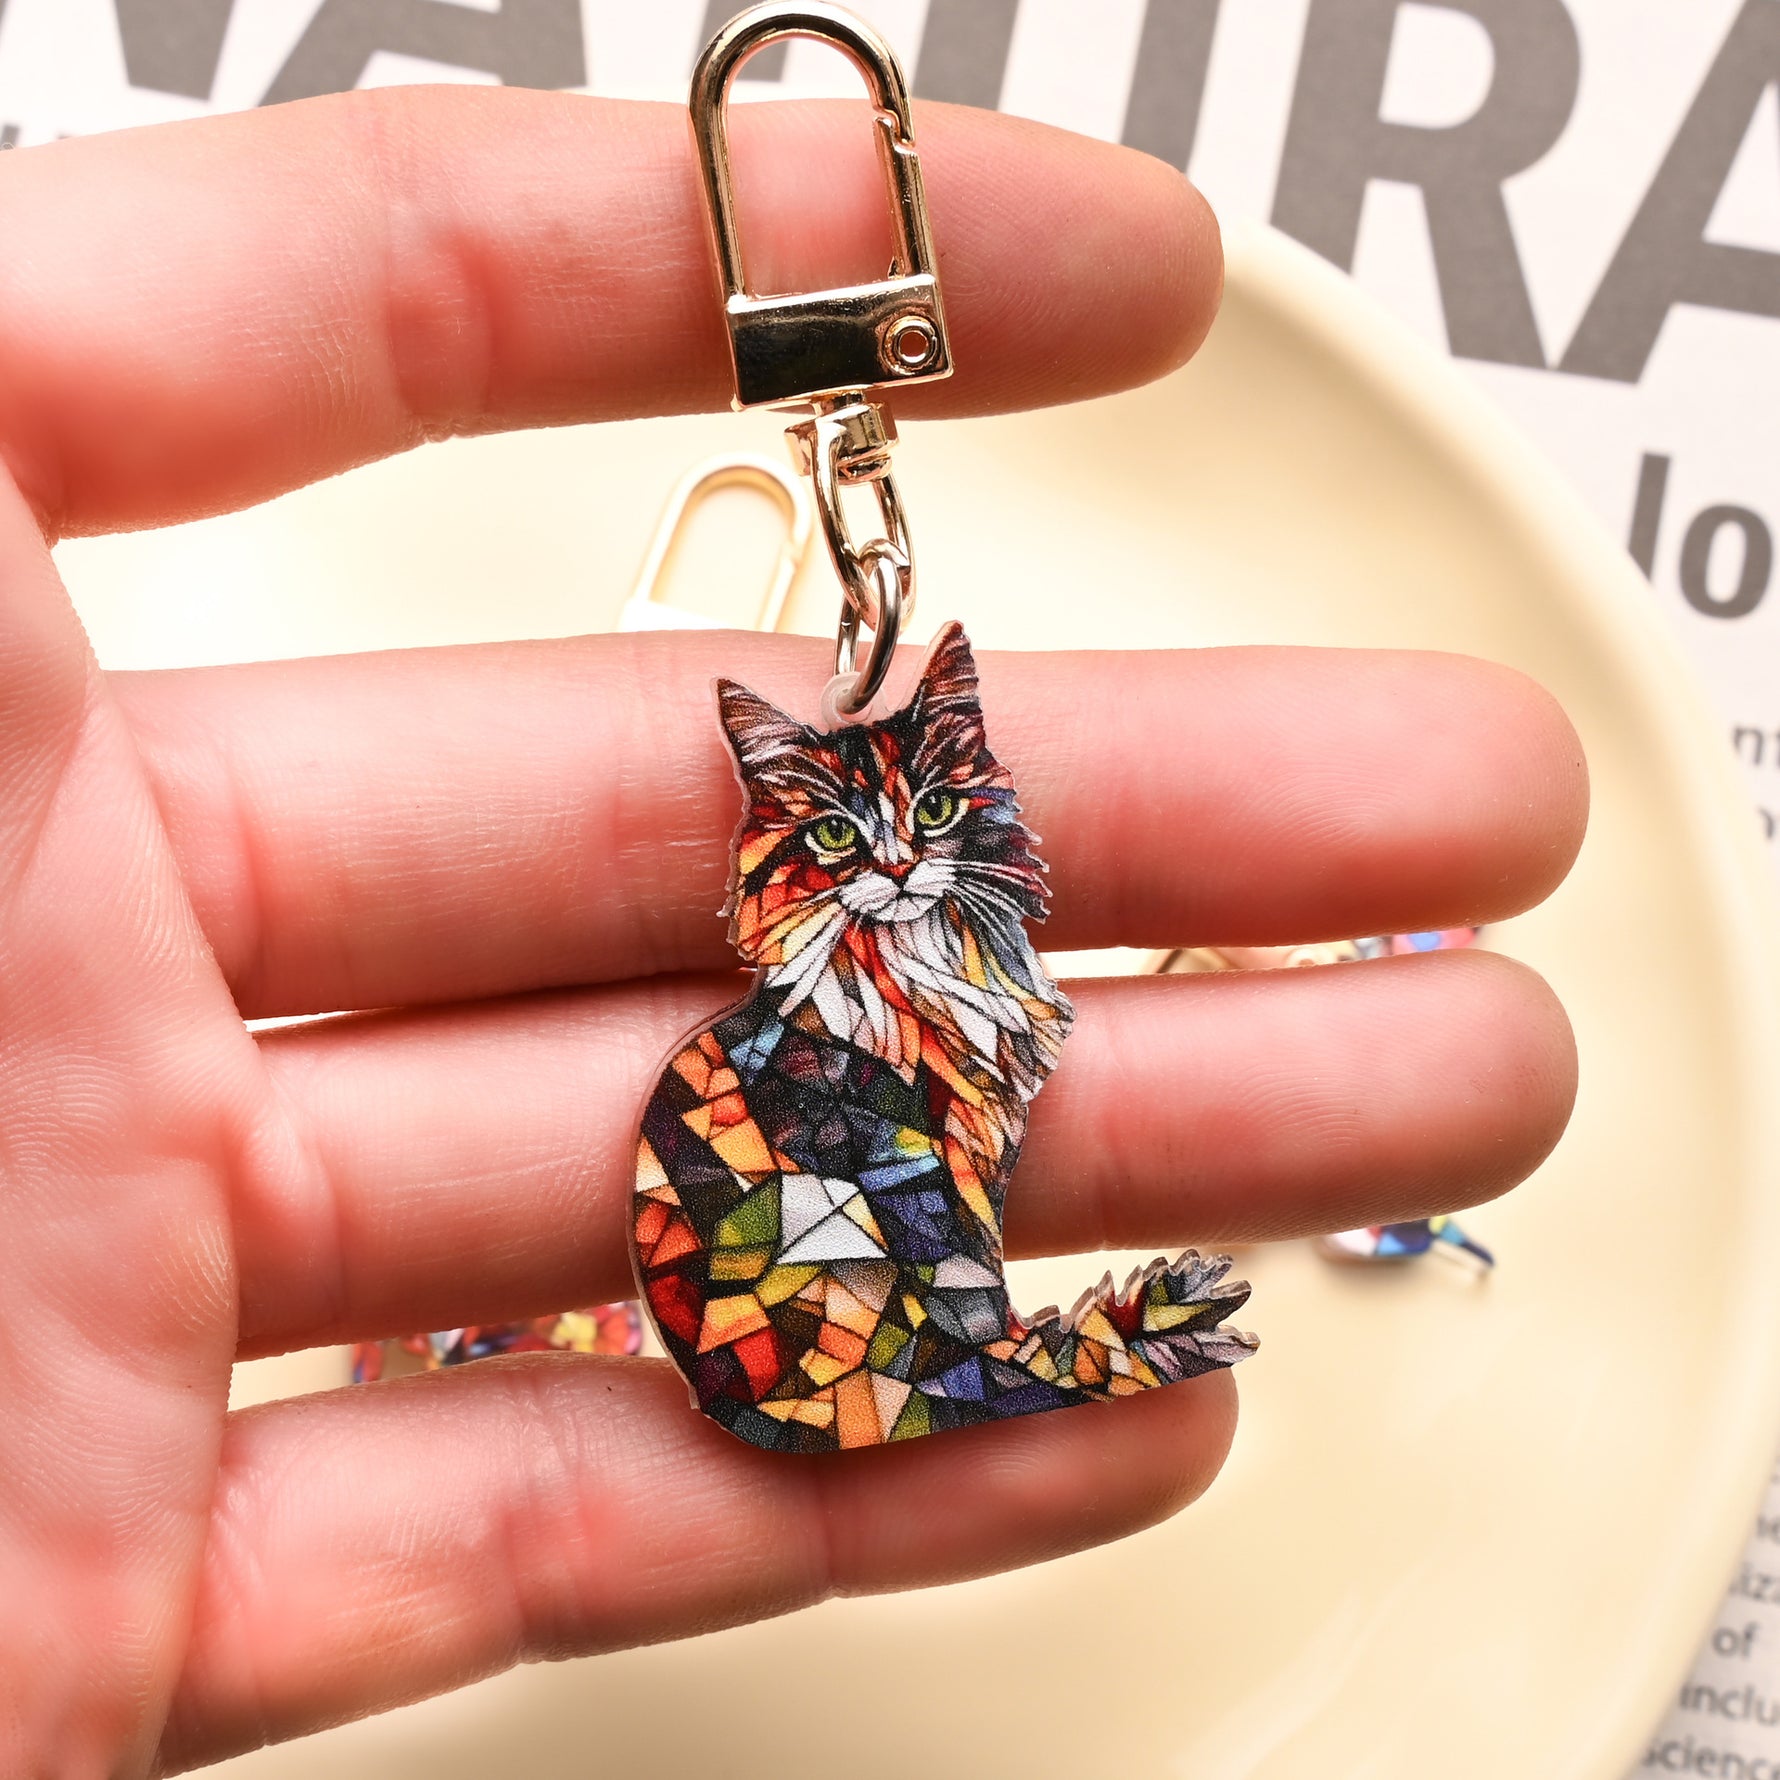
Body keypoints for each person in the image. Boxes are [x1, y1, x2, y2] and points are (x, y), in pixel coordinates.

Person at [0, 85, 1585, 1773]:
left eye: (923, 826)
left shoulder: (918, 998)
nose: (892, 865)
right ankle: (972, 1365)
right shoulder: (826, 1040)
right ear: (782, 841)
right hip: (812, 1347)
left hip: (851, 1345)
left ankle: (976, 1362)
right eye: (840, 835)